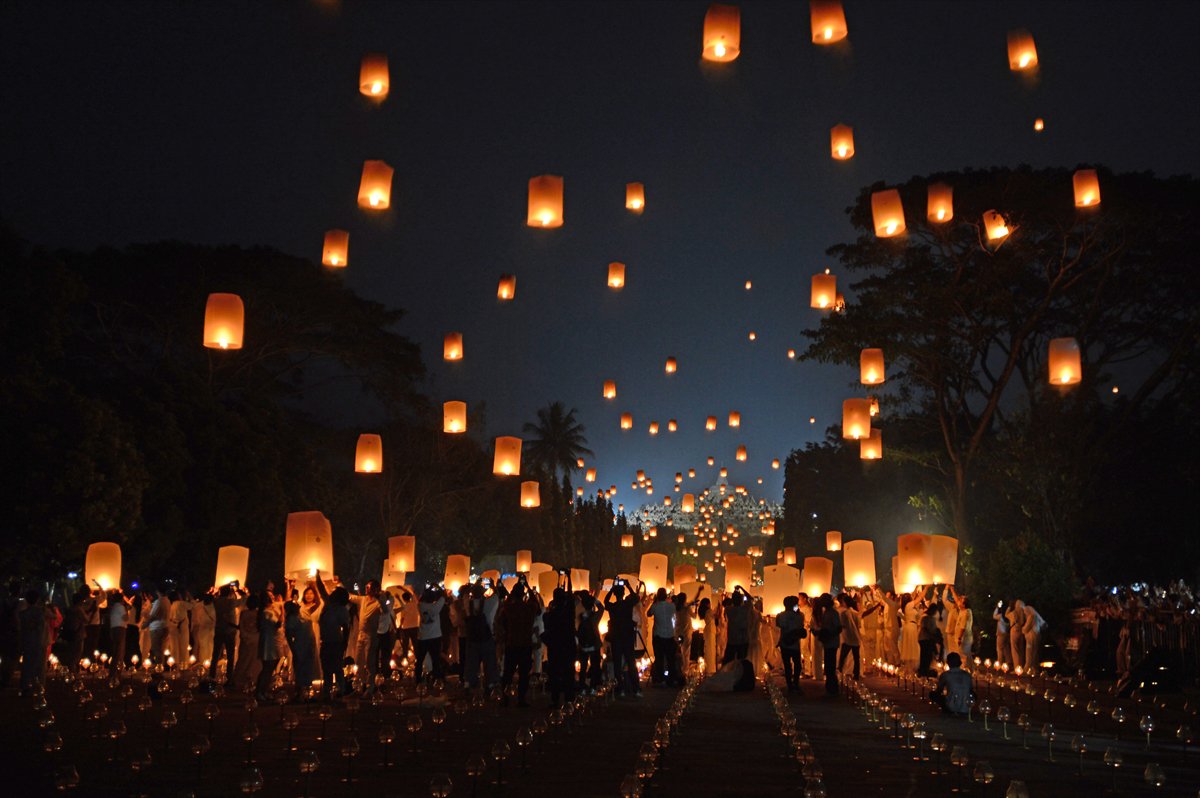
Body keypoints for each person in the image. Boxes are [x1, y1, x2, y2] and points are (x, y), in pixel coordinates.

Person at [498, 578, 541, 706]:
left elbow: (505, 603)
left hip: (512, 643)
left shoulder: (509, 608)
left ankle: (505, 698)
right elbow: (536, 605)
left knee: (508, 673)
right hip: (525, 644)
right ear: (523, 595)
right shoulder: (528, 608)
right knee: (523, 674)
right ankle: (521, 698)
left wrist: (512, 592)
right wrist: (528, 587)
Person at [313, 573, 350, 700]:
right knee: (327, 668)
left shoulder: (341, 609)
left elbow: (346, 627)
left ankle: (341, 690)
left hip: (335, 642)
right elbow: (322, 590)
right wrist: (317, 577)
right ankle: (327, 692)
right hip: (327, 641)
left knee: (337, 668)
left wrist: (345, 643)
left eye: (335, 592)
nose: (332, 593)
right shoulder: (328, 604)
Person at [542, 580, 578, 707]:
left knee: (555, 675)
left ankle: (555, 700)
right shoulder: (569, 613)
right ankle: (569, 699)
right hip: (568, 647)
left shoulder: (549, 615)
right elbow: (571, 597)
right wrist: (568, 578)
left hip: (555, 648)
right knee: (569, 674)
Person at [604, 579, 641, 698]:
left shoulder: (613, 607)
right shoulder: (627, 604)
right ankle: (636, 688)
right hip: (628, 637)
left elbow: (605, 601)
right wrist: (629, 586)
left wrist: (611, 589)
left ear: (615, 594)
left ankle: (620, 688)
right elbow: (636, 598)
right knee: (631, 662)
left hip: (616, 638)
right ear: (624, 594)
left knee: (617, 664)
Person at [346, 580, 384, 690]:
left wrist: (381, 598)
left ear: (375, 589)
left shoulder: (377, 603)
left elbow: (385, 610)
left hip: (371, 635)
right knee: (358, 660)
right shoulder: (362, 600)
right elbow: (350, 597)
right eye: (366, 587)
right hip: (361, 634)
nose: (366, 589)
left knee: (369, 662)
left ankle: (370, 687)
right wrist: (338, 585)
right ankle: (360, 685)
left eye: (368, 587)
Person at [463, 582, 500, 693]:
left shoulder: (467, 604)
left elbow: (464, 595)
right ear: (483, 593)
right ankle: (490, 684)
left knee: (471, 663)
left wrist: (469, 587)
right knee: (489, 663)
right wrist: (493, 586)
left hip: (472, 638)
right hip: (486, 638)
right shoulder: (489, 603)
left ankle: (469, 684)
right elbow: (497, 595)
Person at [19, 590, 55, 695]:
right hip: (41, 641)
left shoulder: (23, 614)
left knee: (27, 664)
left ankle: (25, 686)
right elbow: (54, 616)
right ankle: (40, 687)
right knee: (40, 665)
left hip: (28, 641)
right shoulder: (42, 611)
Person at [210, 584, 245, 684]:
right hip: (229, 630)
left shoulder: (216, 601)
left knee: (215, 654)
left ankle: (211, 675)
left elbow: (213, 597)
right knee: (230, 655)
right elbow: (244, 600)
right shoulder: (231, 602)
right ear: (229, 592)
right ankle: (229, 677)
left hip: (219, 629)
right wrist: (238, 590)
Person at [256, 589, 285, 701]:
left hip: (276, 640)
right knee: (267, 668)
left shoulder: (272, 607)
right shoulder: (266, 612)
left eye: (272, 595)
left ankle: (264, 691)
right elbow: (278, 623)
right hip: (269, 642)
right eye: (270, 596)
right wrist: (282, 609)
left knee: (271, 668)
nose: (273, 597)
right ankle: (259, 692)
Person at [284, 600, 317, 701]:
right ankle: (299, 693)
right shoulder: (291, 619)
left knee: (308, 667)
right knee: (300, 668)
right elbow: (289, 635)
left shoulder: (304, 612)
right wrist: (293, 649)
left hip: (309, 644)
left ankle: (307, 692)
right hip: (300, 645)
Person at [649, 587, 681, 686]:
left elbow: (648, 614)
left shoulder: (655, 606)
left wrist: (654, 602)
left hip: (658, 636)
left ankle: (660, 679)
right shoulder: (671, 606)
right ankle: (671, 679)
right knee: (670, 659)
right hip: (670, 635)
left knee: (659, 659)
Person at [415, 585, 446, 683]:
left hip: (422, 637)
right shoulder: (436, 606)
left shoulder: (420, 605)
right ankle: (437, 679)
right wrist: (438, 587)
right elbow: (444, 595)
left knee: (419, 660)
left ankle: (418, 680)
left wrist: (429, 588)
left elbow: (420, 599)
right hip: (435, 636)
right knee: (436, 660)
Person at [775, 595, 806, 692]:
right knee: (797, 664)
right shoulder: (800, 616)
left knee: (787, 664)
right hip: (795, 643)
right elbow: (800, 625)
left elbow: (780, 626)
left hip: (785, 642)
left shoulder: (781, 616)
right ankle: (795, 683)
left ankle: (790, 684)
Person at [814, 594, 842, 696]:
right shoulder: (827, 612)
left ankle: (832, 688)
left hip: (832, 642)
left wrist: (826, 633)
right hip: (828, 642)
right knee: (829, 665)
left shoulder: (833, 613)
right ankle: (830, 687)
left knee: (830, 666)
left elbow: (838, 628)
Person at [576, 590, 603, 692]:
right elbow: (602, 608)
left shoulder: (581, 616)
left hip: (583, 645)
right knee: (595, 666)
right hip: (594, 644)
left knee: (583, 667)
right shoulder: (595, 617)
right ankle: (593, 687)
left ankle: (582, 687)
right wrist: (594, 599)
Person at [722, 587, 752, 664]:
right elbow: (750, 598)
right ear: (741, 600)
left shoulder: (728, 610)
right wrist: (741, 588)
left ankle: (728, 675)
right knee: (741, 663)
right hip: (743, 640)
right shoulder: (745, 609)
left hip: (732, 640)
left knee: (728, 663)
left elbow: (724, 602)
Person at [837, 593, 862, 680]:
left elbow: (841, 625)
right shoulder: (855, 613)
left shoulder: (843, 613)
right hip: (856, 638)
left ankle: (839, 672)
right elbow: (859, 625)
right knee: (856, 658)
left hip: (847, 638)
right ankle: (856, 675)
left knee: (842, 657)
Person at [0, 583, 20, 689]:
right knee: (12, 657)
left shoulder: (4, 602)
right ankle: (6, 679)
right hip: (14, 632)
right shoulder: (19, 604)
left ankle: (3, 677)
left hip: (3, 632)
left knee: (4, 656)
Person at [146, 584, 171, 665]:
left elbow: (153, 615)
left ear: (158, 592)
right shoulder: (167, 601)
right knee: (161, 649)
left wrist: (146, 623)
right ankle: (160, 667)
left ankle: (158, 667)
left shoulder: (159, 601)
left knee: (156, 649)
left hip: (157, 628)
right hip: (165, 626)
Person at [107, 589, 131, 669]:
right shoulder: (121, 607)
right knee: (119, 650)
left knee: (115, 649)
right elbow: (125, 618)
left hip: (113, 629)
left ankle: (114, 669)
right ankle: (116, 670)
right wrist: (127, 610)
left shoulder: (113, 607)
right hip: (120, 629)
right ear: (121, 599)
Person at [191, 592, 216, 668]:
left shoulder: (199, 606)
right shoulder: (213, 606)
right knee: (206, 644)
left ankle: (205, 661)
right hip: (207, 627)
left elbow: (195, 617)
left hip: (207, 628)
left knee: (206, 644)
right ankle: (206, 660)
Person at [1022, 601, 1046, 674]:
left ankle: (1028, 669)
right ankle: (1033, 668)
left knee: (1029, 653)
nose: (1024, 613)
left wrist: (1023, 629)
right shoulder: (1034, 616)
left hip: (1031, 637)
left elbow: (1026, 628)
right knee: (1034, 653)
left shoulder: (1031, 617)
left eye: (1025, 611)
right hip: (1034, 636)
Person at [918, 604, 942, 677]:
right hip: (924, 639)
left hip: (930, 639)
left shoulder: (932, 619)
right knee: (924, 655)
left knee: (929, 656)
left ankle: (926, 670)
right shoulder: (925, 618)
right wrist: (931, 635)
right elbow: (924, 628)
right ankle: (923, 671)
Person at [899, 593, 920, 671]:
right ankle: (911, 667)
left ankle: (910, 666)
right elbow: (920, 598)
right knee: (911, 646)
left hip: (910, 626)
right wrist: (926, 588)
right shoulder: (909, 605)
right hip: (911, 626)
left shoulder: (908, 607)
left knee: (910, 646)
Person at [952, 594, 973, 662]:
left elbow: (963, 627)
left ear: (964, 605)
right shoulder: (963, 610)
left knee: (963, 656)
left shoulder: (966, 613)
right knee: (967, 655)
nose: (959, 601)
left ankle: (965, 670)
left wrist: (959, 638)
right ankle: (971, 670)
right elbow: (956, 600)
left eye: (961, 601)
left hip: (963, 639)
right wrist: (951, 589)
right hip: (963, 638)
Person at [993, 600, 1011, 670]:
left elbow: (994, 616)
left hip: (1000, 634)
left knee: (999, 649)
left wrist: (997, 608)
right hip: (1006, 634)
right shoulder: (1008, 617)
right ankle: (1008, 662)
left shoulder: (1000, 616)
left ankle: (1000, 663)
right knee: (1006, 649)